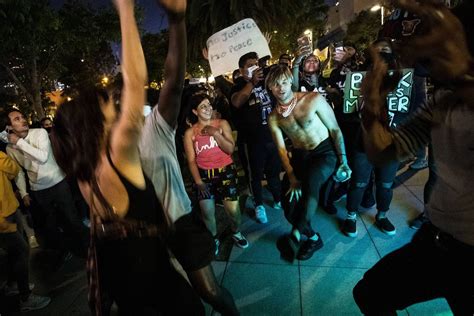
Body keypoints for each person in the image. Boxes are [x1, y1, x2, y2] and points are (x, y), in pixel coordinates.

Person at [50, 0, 204, 314]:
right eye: (107, 102)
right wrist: (125, 10)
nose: (115, 103)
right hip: (154, 280)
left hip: (124, 281)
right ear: (94, 119)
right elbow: (135, 81)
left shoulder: (84, 171)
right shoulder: (118, 152)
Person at [353, 0, 474, 314]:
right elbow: (386, 152)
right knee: (370, 293)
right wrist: (372, 107)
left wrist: (461, 74)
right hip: (437, 242)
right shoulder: (442, 100)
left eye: (442, 43)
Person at [137, 1, 239, 314]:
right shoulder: (110, 141)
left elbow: (172, 79)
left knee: (209, 291)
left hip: (178, 221)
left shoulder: (153, 122)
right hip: (145, 232)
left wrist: (177, 21)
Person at [266, 64, 351, 261]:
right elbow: (280, 148)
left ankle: (295, 236)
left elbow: (335, 130)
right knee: (290, 203)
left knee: (312, 182)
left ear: (290, 81)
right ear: (270, 87)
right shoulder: (274, 117)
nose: (282, 88)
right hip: (300, 156)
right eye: (276, 85)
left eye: (285, 82)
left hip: (324, 152)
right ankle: (312, 237)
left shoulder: (313, 100)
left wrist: (343, 160)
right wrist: (291, 175)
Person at [2, 107, 88, 259]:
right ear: (8, 128)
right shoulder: (10, 148)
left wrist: (20, 142)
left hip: (58, 183)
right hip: (38, 190)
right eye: (17, 119)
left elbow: (42, 157)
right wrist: (24, 193)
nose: (23, 120)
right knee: (51, 226)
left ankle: (87, 248)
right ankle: (64, 253)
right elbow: (19, 172)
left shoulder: (39, 133)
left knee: (72, 219)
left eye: (22, 117)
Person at [183, 93, 249, 254]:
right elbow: (191, 161)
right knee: (207, 212)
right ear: (195, 111)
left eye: (208, 105)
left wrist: (215, 133)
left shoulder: (222, 123)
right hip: (203, 175)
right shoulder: (190, 133)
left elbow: (229, 149)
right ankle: (213, 238)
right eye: (202, 106)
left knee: (233, 211)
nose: (207, 108)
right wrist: (198, 182)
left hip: (226, 172)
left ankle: (236, 231)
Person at [230, 51, 283, 224]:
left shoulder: (267, 81)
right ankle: (259, 204)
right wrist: (252, 83)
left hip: (272, 137)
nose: (255, 68)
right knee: (255, 176)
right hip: (251, 142)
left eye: (257, 64)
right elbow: (237, 102)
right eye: (250, 65)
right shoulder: (237, 86)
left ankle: (277, 198)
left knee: (274, 172)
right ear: (242, 69)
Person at [0, 149, 51, 312]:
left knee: (13, 252)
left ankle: (12, 284)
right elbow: (11, 168)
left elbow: (12, 171)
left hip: (10, 208)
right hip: (2, 218)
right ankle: (25, 298)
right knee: (21, 251)